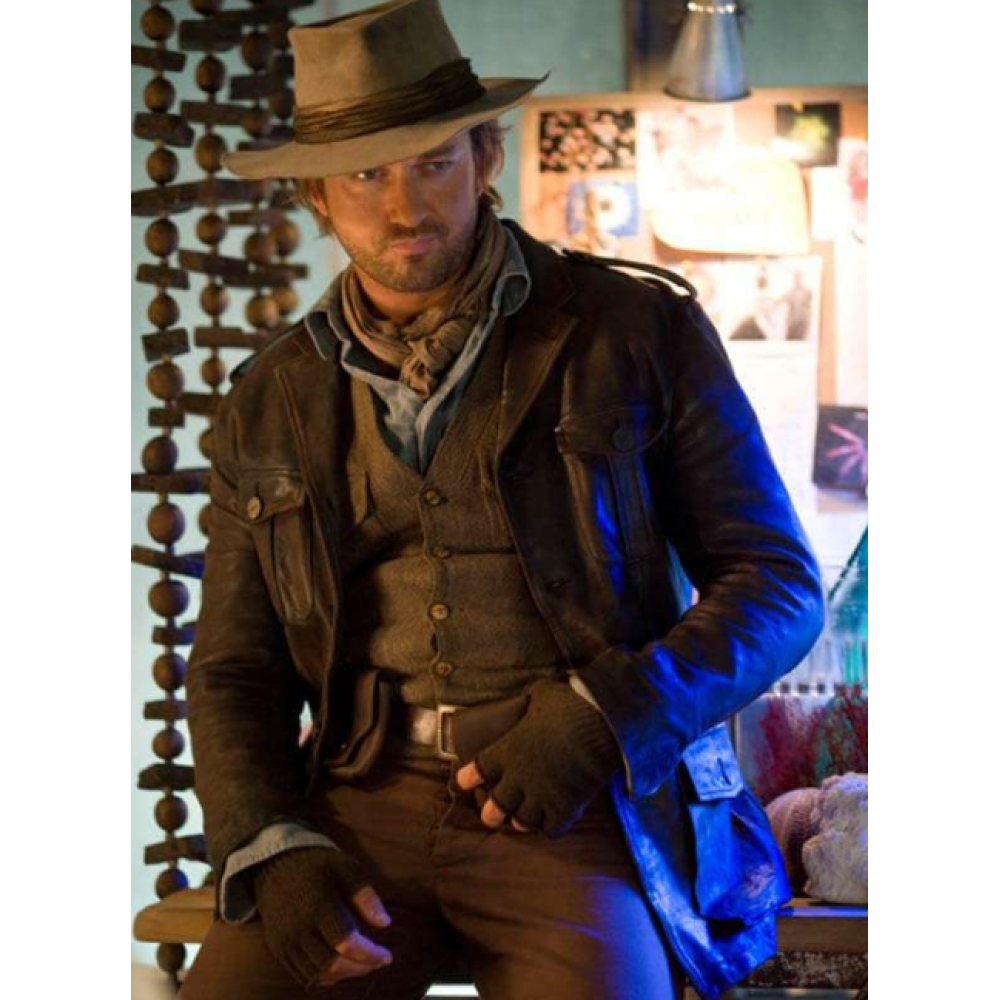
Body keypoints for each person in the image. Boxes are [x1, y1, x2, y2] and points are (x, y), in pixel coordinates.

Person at [180, 1, 825, 998]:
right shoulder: (269, 399)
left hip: (581, 803)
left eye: (432, 162)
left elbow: (779, 587)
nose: (404, 207)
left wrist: (606, 717)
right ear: (316, 196)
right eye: (365, 175)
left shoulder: (634, 329)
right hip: (357, 803)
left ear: (484, 157)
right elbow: (234, 667)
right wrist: (270, 844)